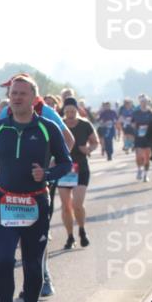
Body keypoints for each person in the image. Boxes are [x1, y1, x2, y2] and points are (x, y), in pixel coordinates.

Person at [0, 75, 71, 302]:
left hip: (36, 204)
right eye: (13, 93)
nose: (16, 97)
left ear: (34, 98)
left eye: (22, 93)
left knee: (33, 267)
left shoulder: (47, 128)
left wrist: (48, 173)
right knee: (4, 260)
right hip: (6, 204)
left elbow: (66, 162)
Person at [58, 98, 98, 249]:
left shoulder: (85, 124)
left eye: (73, 111)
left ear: (77, 110)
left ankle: (82, 229)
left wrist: (88, 149)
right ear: (64, 111)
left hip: (80, 167)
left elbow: (95, 142)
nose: (70, 114)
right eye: (67, 112)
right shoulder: (58, 125)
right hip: (64, 169)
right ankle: (70, 236)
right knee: (65, 206)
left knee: (77, 204)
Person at [132, 95, 152, 183]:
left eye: (145, 102)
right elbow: (132, 123)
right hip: (139, 137)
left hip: (148, 138)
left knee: (147, 157)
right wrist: (136, 127)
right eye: (142, 102)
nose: (144, 103)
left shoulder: (151, 113)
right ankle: (139, 169)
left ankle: (145, 174)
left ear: (148, 102)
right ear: (140, 103)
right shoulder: (136, 113)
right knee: (138, 156)